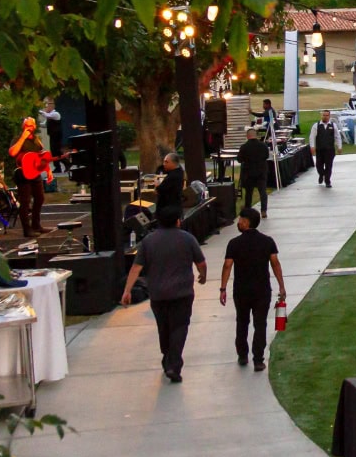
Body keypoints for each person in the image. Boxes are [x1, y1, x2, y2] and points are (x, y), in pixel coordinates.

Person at [121, 206, 207, 383]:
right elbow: (201, 262)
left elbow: (136, 267)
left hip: (158, 293)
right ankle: (173, 363)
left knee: (164, 327)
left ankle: (167, 356)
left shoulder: (149, 241)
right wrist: (203, 275)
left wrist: (127, 290)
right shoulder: (187, 238)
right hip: (182, 292)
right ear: (178, 221)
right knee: (180, 327)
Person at [220, 208, 286, 371]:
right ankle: (258, 359)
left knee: (242, 322)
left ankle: (242, 355)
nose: (238, 222)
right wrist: (281, 286)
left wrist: (223, 288)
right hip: (262, 290)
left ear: (247, 222)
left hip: (241, 290)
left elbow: (228, 265)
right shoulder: (267, 241)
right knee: (260, 324)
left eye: (241, 219)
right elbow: (275, 263)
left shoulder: (234, 243)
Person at [8, 117, 47, 236]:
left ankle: (36, 224)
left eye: (31, 125)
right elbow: (13, 152)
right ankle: (27, 229)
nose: (29, 128)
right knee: (25, 202)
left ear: (34, 127)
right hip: (23, 173)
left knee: (39, 198)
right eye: (27, 125)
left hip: (34, 172)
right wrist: (23, 138)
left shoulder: (35, 139)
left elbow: (40, 152)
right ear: (23, 127)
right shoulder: (18, 139)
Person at [237, 130, 271, 214]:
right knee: (262, 191)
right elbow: (267, 156)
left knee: (249, 192)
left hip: (249, 172)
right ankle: (263, 210)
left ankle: (248, 208)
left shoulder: (244, 147)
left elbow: (239, 160)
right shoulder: (263, 145)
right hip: (261, 171)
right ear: (256, 136)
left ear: (247, 136)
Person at [308, 108, 342, 187]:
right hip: (320, 150)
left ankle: (327, 181)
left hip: (330, 150)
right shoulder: (316, 126)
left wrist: (339, 146)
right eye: (324, 115)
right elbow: (312, 137)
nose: (325, 117)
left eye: (327, 115)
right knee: (318, 165)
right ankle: (321, 174)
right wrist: (312, 147)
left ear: (329, 116)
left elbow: (337, 137)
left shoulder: (333, 125)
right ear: (321, 115)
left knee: (329, 166)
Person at [41, 101, 64, 173]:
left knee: (57, 151)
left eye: (47, 107)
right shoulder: (49, 116)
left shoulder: (55, 114)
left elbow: (47, 115)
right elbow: (44, 125)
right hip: (52, 135)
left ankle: (65, 164)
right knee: (54, 152)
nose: (46, 108)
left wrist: (39, 111)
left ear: (51, 107)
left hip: (57, 135)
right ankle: (58, 167)